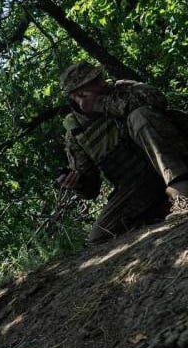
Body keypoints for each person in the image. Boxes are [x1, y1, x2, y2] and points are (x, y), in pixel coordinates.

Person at [56, 61, 188, 244]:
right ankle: (162, 207)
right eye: (93, 82)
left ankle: (182, 195)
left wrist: (100, 103)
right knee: (99, 237)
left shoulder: (123, 89)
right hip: (138, 184)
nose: (102, 83)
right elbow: (91, 188)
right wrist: (76, 183)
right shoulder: (76, 133)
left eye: (98, 78)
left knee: (139, 116)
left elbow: (157, 99)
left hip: (178, 160)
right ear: (77, 94)